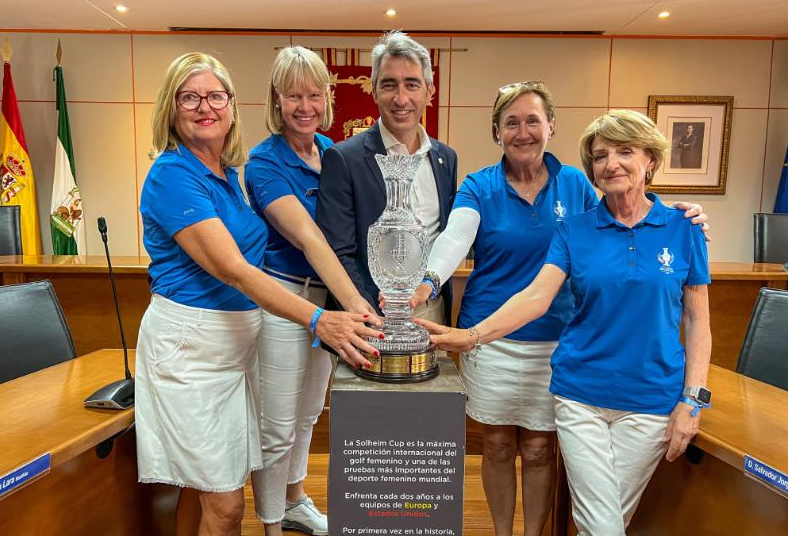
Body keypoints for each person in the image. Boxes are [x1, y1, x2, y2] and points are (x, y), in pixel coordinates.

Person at [411, 82, 708, 536]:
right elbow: (456, 237)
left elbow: (624, 221)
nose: (523, 131)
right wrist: (428, 281)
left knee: (537, 450)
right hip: (500, 337)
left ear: (551, 126)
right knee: (495, 445)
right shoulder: (481, 186)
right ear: (497, 131)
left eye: (534, 120)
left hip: (560, 340)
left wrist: (684, 218)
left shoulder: (575, 185)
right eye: (512, 122)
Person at [136, 52, 380, 536]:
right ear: (171, 107)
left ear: (230, 105)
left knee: (204, 489)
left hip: (233, 352)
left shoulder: (227, 174)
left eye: (215, 96)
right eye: (190, 97)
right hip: (192, 356)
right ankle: (274, 523)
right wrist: (318, 318)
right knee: (226, 503)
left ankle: (289, 503)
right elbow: (236, 270)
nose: (204, 107)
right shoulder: (172, 174)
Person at [244, 46, 379, 536]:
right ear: (276, 101)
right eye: (293, 96)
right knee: (277, 423)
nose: (305, 106)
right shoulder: (263, 161)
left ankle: (295, 500)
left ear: (328, 97)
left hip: (331, 300)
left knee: (307, 414)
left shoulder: (336, 153)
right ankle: (270, 524)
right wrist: (361, 307)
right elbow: (309, 236)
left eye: (315, 95)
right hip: (285, 298)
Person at [317, 30, 457, 324]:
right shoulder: (344, 159)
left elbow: (445, 237)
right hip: (370, 315)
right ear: (374, 89)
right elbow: (339, 252)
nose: (401, 98)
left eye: (412, 84)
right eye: (389, 84)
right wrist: (368, 312)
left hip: (432, 312)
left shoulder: (446, 158)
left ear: (429, 91)